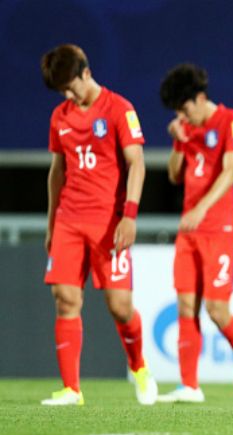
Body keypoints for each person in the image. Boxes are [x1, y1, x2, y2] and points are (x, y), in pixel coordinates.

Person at [40, 44, 157, 406]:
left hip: (109, 221)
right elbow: (57, 172)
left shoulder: (120, 109)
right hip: (69, 221)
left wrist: (130, 215)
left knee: (120, 306)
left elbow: (136, 163)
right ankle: (71, 389)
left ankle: (139, 368)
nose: (68, 95)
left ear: (86, 73)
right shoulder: (60, 117)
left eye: (70, 86)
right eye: (61, 91)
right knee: (65, 298)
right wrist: (50, 223)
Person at [157, 63, 233, 403]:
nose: (182, 115)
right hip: (190, 230)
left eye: (185, 108)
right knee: (185, 306)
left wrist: (202, 208)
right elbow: (175, 175)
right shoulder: (187, 128)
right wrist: (177, 142)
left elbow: (232, 169)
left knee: (217, 311)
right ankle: (189, 386)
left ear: (201, 98)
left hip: (222, 229)